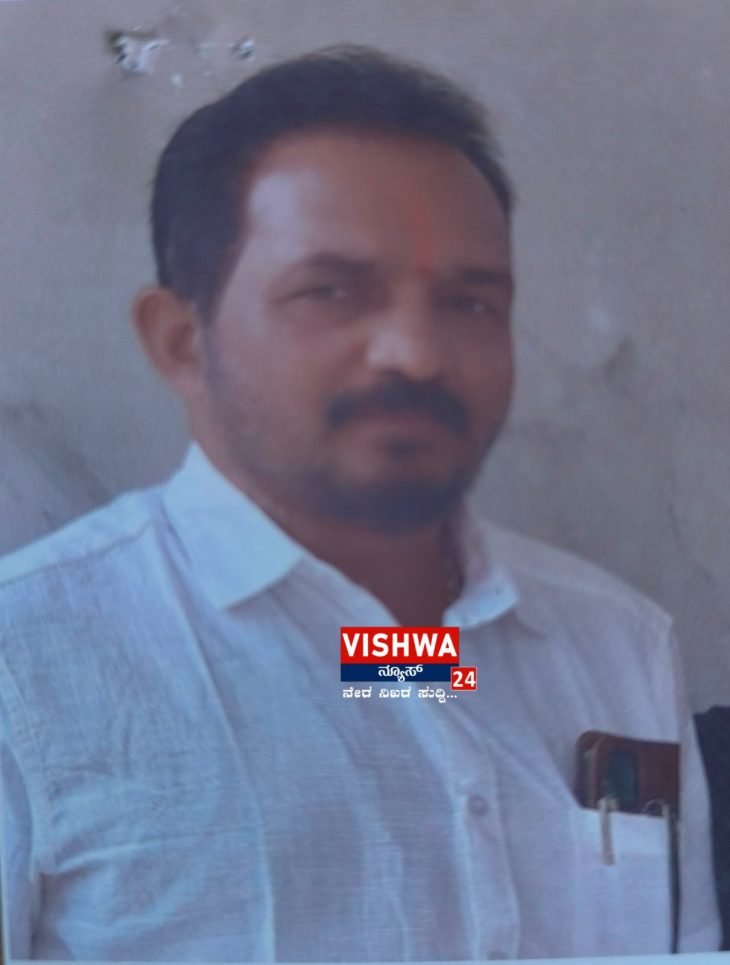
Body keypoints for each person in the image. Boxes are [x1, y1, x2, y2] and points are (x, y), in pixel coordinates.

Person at [0, 45, 720, 961]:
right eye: (332, 292)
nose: (415, 353)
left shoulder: (617, 647)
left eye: (469, 301)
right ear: (182, 341)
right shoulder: (27, 665)